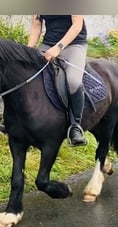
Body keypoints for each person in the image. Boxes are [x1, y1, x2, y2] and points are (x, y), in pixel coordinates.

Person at [28, 15, 88, 146]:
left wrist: (58, 47)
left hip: (74, 45)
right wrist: (28, 50)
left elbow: (77, 25)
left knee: (73, 82)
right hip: (48, 44)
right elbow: (36, 24)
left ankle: (75, 126)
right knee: (26, 73)